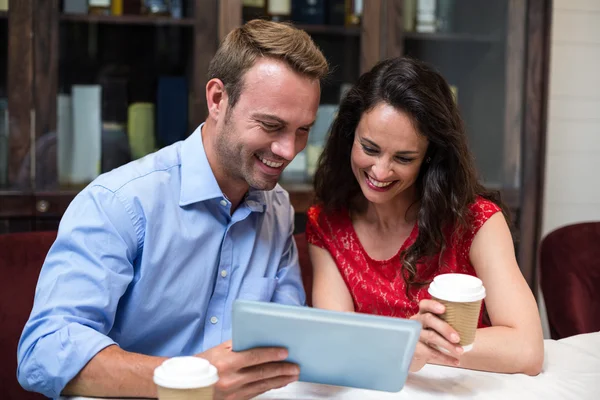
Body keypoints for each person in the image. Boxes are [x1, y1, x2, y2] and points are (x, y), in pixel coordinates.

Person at [17, 20, 328, 400]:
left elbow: (286, 339)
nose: (288, 150)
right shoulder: (120, 201)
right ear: (217, 99)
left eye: (303, 130)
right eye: (271, 125)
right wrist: (193, 376)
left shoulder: (276, 206)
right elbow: (43, 352)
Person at [306, 56, 544, 375]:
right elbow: (337, 338)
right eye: (370, 148)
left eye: (403, 158)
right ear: (350, 135)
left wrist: (418, 345)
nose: (380, 171)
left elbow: (527, 350)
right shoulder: (327, 223)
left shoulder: (476, 221)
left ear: (429, 158)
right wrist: (405, 342)